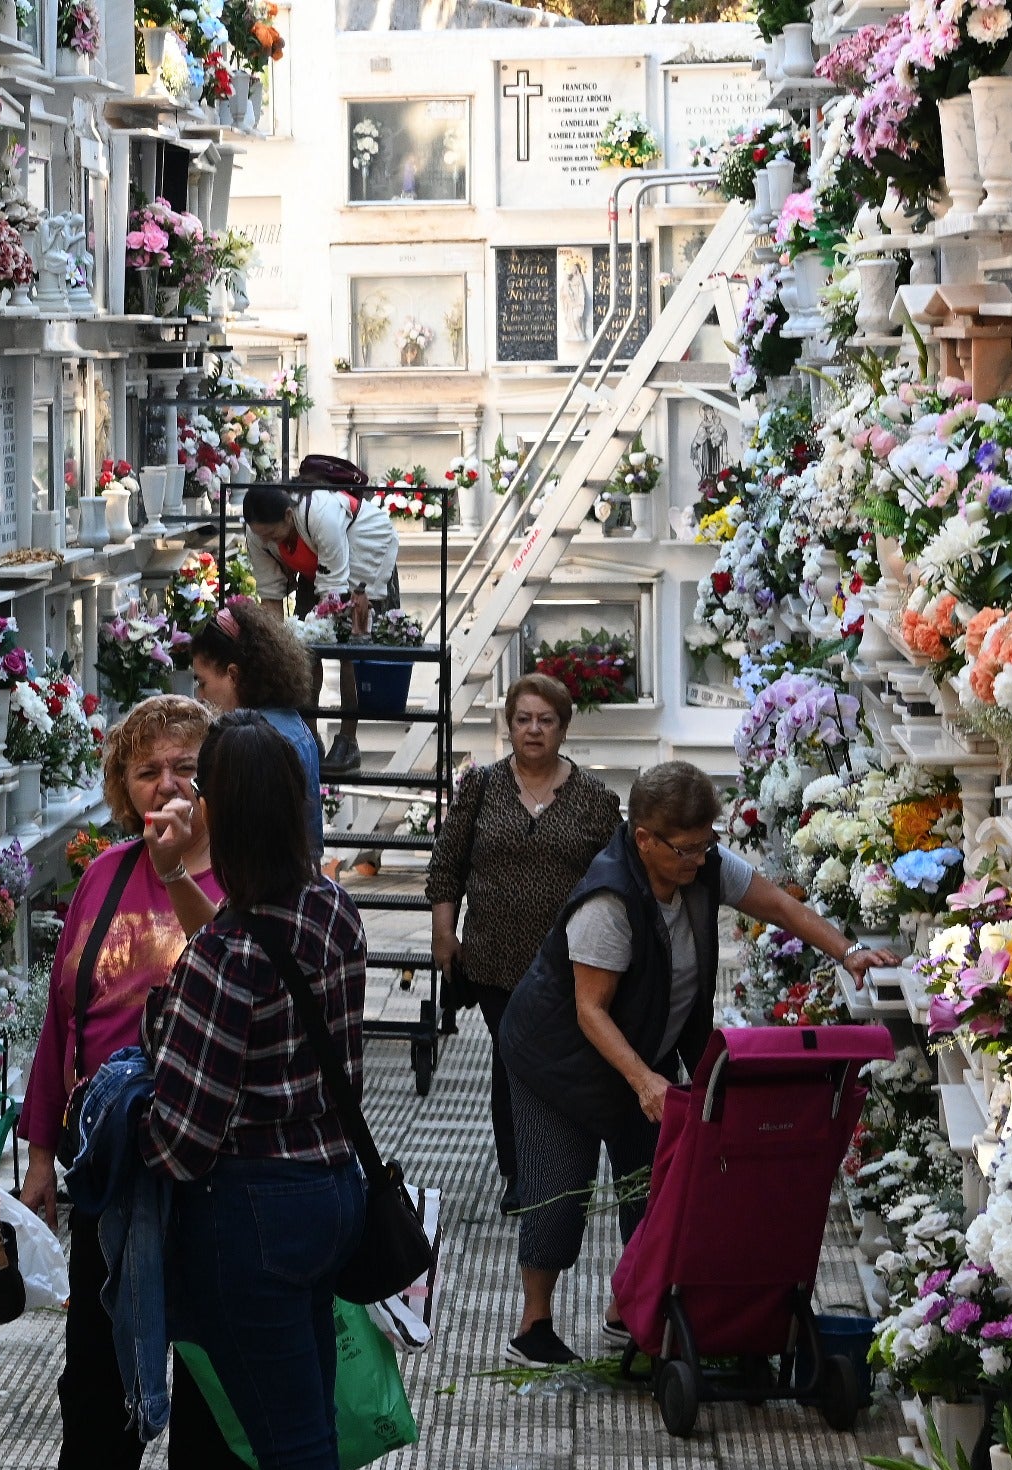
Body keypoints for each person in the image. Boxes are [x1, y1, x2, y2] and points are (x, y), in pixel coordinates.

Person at [497, 760, 900, 1368]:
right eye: (684, 850)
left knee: (655, 1187)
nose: (697, 861)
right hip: (560, 1061)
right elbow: (590, 1011)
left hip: (645, 1051)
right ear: (644, 839)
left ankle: (629, 1312)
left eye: (706, 845)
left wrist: (848, 952)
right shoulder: (608, 902)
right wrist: (644, 1081)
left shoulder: (705, 866)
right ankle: (535, 1323)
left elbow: (781, 908)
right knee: (559, 1192)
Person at [13, 696, 260, 1470]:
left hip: (213, 1165)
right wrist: (41, 1155)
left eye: (187, 767)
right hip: (112, 1166)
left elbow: (248, 987)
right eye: (148, 769)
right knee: (96, 1358)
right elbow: (60, 1026)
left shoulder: (242, 881)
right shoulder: (102, 878)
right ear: (123, 784)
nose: (168, 786)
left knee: (209, 1360)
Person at [139, 710, 367, 1470]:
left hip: (255, 1214)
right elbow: (243, 941)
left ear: (227, 819)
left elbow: (184, 1141)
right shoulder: (327, 909)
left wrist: (119, 1120)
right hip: (330, 1191)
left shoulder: (227, 958)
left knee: (294, 1451)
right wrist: (175, 882)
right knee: (306, 1434)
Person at [427, 673, 620, 1217]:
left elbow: (614, 882)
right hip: (493, 960)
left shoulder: (594, 800)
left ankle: (559, 1163)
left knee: (554, 1061)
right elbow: (447, 865)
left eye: (545, 720)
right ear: (509, 724)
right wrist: (446, 932)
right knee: (514, 1057)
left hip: (568, 962)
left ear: (563, 728)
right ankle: (520, 1171)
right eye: (523, 719)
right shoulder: (482, 787)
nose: (533, 730)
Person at [243, 481, 399, 777]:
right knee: (301, 650)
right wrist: (276, 647)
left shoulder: (322, 514)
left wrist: (323, 626)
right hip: (317, 567)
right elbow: (271, 597)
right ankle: (308, 737)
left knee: (349, 646)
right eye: (264, 537)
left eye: (274, 534)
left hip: (362, 548)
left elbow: (334, 594)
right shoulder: (259, 534)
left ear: (289, 516)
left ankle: (348, 742)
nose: (270, 542)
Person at [191, 595, 323, 855]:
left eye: (202, 682)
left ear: (233, 675)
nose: (200, 696)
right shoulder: (292, 723)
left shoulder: (256, 739)